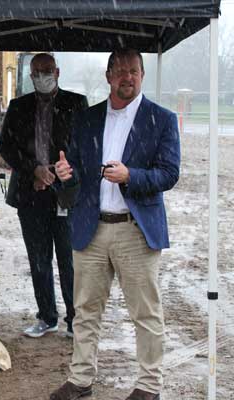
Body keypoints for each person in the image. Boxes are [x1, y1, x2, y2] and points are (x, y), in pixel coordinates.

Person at [50, 49, 180, 400]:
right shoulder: (86, 118)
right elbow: (74, 168)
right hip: (91, 227)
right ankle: (80, 380)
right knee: (85, 311)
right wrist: (66, 174)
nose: (128, 77)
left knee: (145, 313)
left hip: (135, 231)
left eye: (134, 71)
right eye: (121, 71)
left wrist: (130, 176)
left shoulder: (162, 119)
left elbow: (170, 173)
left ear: (142, 75)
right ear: (108, 76)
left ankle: (149, 385)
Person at [0, 53, 88, 338]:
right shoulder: (18, 107)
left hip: (65, 195)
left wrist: (67, 169)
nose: (42, 76)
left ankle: (75, 320)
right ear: (30, 75)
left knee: (68, 260)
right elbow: (6, 148)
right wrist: (33, 170)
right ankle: (47, 317)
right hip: (30, 193)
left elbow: (86, 147)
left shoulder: (76, 104)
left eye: (47, 71)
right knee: (38, 258)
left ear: (58, 72)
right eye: (36, 72)